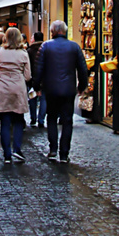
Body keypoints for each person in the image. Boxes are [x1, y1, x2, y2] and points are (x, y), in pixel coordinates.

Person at [34, 20, 89, 162]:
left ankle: (53, 149)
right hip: (68, 90)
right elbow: (83, 69)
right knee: (67, 121)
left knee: (51, 118)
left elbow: (38, 69)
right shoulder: (74, 47)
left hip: (51, 89)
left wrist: (37, 86)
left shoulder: (45, 46)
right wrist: (82, 86)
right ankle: (64, 153)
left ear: (52, 31)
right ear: (65, 31)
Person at [0, 28, 31, 164]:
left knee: (5, 123)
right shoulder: (23, 53)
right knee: (18, 120)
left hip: (1, 89)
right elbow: (28, 76)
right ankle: (17, 149)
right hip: (18, 89)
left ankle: (7, 154)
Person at [27, 31, 47, 128]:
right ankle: (41, 119)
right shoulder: (46, 49)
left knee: (32, 98)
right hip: (44, 77)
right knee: (43, 99)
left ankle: (33, 118)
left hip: (32, 77)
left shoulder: (29, 50)